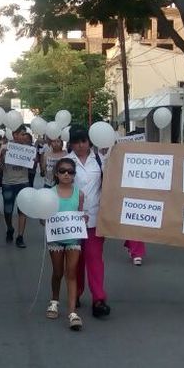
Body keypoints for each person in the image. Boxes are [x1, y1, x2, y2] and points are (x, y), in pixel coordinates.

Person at [67, 128, 110, 318]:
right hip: (73, 219)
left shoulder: (100, 160)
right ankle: (75, 293)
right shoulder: (67, 162)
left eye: (83, 141)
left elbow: (110, 184)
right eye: (76, 142)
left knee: (94, 259)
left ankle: (98, 299)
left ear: (89, 142)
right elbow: (58, 187)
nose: (80, 145)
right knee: (76, 260)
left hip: (95, 218)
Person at [46, 157, 86, 331]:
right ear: (56, 173)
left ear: (74, 174)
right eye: (62, 171)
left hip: (73, 239)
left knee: (71, 273)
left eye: (70, 171)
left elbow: (80, 213)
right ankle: (54, 300)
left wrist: (83, 219)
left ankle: (72, 312)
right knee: (57, 272)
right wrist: (44, 219)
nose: (66, 174)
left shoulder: (80, 193)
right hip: (55, 239)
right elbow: (43, 217)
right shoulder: (50, 193)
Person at [1, 127, 36, 248]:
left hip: (23, 181)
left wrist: (34, 161)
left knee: (23, 210)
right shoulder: (5, 148)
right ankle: (10, 228)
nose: (23, 136)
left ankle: (20, 236)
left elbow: (32, 168)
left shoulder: (29, 149)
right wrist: (2, 156)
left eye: (24, 134)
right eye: (21, 134)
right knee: (8, 210)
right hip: (8, 183)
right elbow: (0, 168)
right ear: (14, 135)